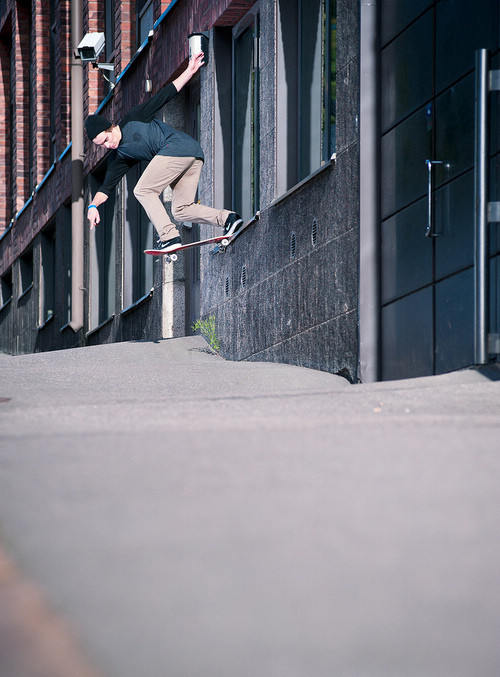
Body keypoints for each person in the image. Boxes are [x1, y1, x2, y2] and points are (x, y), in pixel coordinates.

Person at [85, 51, 242, 251]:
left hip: (178, 148)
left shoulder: (133, 118)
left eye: (106, 139)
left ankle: (169, 236)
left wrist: (190, 70)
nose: (108, 145)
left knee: (142, 190)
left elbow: (164, 96)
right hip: (191, 156)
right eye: (102, 145)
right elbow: (106, 188)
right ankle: (228, 219)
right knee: (181, 210)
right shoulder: (120, 157)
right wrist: (93, 206)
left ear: (111, 127)